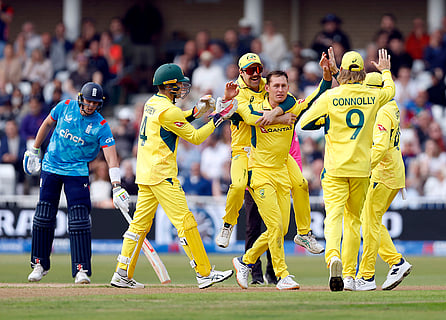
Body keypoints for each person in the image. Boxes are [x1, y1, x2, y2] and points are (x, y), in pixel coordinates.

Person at [110, 63, 235, 289]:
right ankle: (204, 273)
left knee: (139, 227)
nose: (181, 88)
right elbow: (195, 137)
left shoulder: (152, 103)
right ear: (168, 86)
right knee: (186, 222)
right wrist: (217, 118)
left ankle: (122, 272)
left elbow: (172, 123)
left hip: (146, 173)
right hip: (162, 174)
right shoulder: (169, 110)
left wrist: (196, 112)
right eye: (178, 84)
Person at [215, 53, 325, 283]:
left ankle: (297, 237)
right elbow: (248, 117)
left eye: (258, 69)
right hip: (248, 155)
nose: (256, 74)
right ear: (241, 72)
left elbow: (295, 101)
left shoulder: (269, 86)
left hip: (279, 161)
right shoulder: (238, 92)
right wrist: (281, 118)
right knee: (238, 186)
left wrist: (326, 78)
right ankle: (228, 225)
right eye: (250, 70)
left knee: (300, 188)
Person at [300, 49, 395, 291]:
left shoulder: (331, 97)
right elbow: (390, 91)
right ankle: (350, 276)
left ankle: (333, 257)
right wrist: (385, 70)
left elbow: (305, 122)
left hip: (334, 168)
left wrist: (328, 120)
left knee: (333, 217)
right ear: (363, 73)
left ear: (341, 71)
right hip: (362, 169)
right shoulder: (373, 97)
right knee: (353, 221)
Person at [23, 82, 129, 284]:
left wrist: (117, 186)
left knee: (79, 221)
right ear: (81, 98)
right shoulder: (65, 106)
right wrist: (34, 149)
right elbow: (46, 124)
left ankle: (81, 269)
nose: (90, 105)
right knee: (43, 216)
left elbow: (111, 158)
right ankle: (39, 264)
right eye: (88, 101)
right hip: (51, 166)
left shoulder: (101, 126)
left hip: (77, 172)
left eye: (95, 103)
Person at [355, 72, 412, 291]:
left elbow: (379, 146)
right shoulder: (392, 104)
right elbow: (390, 86)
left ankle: (367, 276)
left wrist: (362, 167)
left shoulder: (380, 112)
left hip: (384, 173)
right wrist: (386, 72)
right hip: (393, 172)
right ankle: (396, 262)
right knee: (373, 221)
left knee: (369, 223)